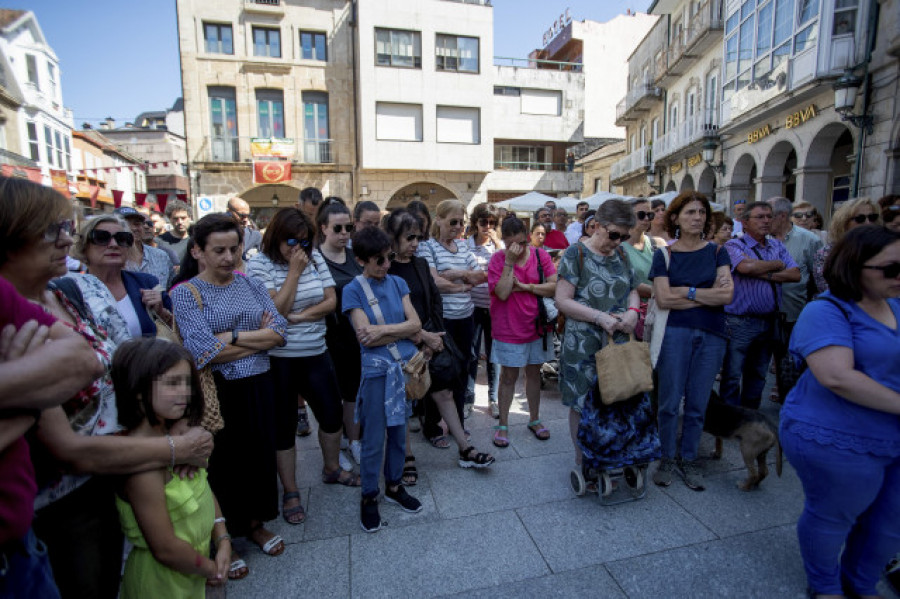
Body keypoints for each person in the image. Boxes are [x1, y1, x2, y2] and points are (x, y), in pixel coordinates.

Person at [0, 176, 213, 598]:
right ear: (10, 237)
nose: (63, 241)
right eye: (51, 230)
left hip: (121, 457)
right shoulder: (14, 311)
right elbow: (68, 448)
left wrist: (22, 398)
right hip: (58, 499)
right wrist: (176, 449)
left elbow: (103, 364)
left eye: (66, 229)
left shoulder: (77, 289)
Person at [779, 225, 900, 598]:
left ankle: (862, 583)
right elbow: (837, 376)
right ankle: (825, 587)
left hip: (891, 432)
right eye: (891, 269)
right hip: (836, 436)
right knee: (833, 516)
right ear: (854, 267)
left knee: (889, 524)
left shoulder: (895, 303)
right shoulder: (825, 310)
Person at [172, 212, 288, 579]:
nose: (227, 257)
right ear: (198, 251)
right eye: (218, 250)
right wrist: (257, 340)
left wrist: (232, 338)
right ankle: (226, 537)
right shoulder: (185, 293)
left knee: (258, 455)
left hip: (260, 383)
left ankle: (254, 524)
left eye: (234, 248)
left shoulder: (251, 284)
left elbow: (280, 330)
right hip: (218, 391)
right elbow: (203, 351)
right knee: (224, 462)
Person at [247, 207, 359, 528]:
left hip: (316, 351)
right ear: (276, 238)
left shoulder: (314, 257)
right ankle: (291, 490)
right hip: (279, 360)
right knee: (283, 428)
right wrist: (294, 274)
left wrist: (297, 316)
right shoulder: (259, 264)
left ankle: (331, 467)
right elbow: (272, 309)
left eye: (305, 242)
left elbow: (329, 302)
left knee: (331, 415)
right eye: (291, 241)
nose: (299, 249)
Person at [0, 277, 102, 599]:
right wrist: (26, 394)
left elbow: (84, 360)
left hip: (21, 551)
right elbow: (68, 449)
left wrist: (17, 406)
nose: (62, 239)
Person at [111, 339, 231, 597]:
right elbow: (165, 548)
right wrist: (212, 569)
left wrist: (222, 538)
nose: (185, 392)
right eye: (172, 383)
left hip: (194, 573)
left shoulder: (180, 439)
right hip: (163, 584)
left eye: (187, 382)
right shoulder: (143, 467)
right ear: (139, 388)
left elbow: (203, 489)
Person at [386, 209, 494, 477]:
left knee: (444, 392)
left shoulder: (420, 263)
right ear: (394, 237)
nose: (415, 243)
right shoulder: (384, 267)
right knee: (402, 402)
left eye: (418, 237)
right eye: (409, 237)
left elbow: (434, 301)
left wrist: (433, 339)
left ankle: (465, 448)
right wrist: (419, 336)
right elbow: (388, 312)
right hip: (399, 342)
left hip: (430, 340)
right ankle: (406, 456)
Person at [649, 192, 734, 490]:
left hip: (712, 334)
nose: (697, 217)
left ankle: (689, 459)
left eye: (701, 212)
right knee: (669, 402)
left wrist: (687, 292)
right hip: (675, 333)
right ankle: (667, 457)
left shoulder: (717, 252)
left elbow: (727, 295)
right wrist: (706, 296)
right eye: (689, 212)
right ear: (675, 218)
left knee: (698, 402)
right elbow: (662, 298)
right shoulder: (664, 255)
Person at [343, 226, 425, 533]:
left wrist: (383, 331)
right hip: (377, 372)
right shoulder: (353, 289)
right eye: (378, 260)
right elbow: (365, 337)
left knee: (399, 432)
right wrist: (399, 330)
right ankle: (368, 495)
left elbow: (416, 323)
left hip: (402, 367)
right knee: (374, 437)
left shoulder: (399, 281)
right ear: (361, 259)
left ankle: (393, 485)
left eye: (388, 257)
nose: (386, 265)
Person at [556, 199, 644, 468]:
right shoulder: (575, 253)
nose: (618, 241)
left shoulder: (623, 254)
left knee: (618, 399)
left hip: (616, 340)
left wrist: (632, 311)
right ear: (597, 226)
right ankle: (583, 458)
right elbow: (562, 300)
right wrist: (599, 316)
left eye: (625, 236)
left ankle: (612, 453)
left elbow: (632, 289)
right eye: (614, 234)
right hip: (583, 343)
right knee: (582, 402)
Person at [721, 201, 800, 409]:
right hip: (739, 322)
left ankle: (750, 419)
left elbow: (795, 274)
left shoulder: (777, 245)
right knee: (732, 375)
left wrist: (763, 272)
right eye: (760, 217)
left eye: (769, 216)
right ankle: (729, 420)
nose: (766, 221)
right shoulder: (734, 245)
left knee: (758, 375)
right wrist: (777, 265)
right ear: (745, 222)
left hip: (768, 320)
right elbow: (746, 267)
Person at [488, 216, 558, 447]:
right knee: (508, 376)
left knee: (533, 374)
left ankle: (534, 419)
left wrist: (527, 287)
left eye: (521, 244)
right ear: (504, 242)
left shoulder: (541, 256)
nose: (517, 249)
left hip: (536, 326)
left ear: (527, 238)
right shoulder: (498, 260)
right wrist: (508, 262)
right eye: (511, 245)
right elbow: (503, 293)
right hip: (508, 327)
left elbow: (554, 286)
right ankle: (503, 425)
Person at [419, 199, 485, 427]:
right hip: (442, 319)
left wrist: (453, 273)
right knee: (438, 372)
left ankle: (457, 423)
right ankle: (433, 425)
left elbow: (479, 276)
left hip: (465, 317)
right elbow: (435, 282)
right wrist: (464, 282)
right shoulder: (427, 246)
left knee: (462, 371)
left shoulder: (464, 246)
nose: (458, 227)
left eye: (461, 222)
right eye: (453, 221)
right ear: (439, 220)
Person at [70, 216, 173, 340]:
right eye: (102, 238)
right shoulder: (72, 291)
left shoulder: (147, 283)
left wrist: (160, 312)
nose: (114, 244)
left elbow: (180, 330)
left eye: (122, 239)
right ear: (84, 246)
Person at [316, 199, 363, 460]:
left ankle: (354, 440)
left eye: (348, 228)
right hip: (325, 336)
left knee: (353, 392)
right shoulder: (313, 258)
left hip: (354, 335)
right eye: (338, 228)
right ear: (323, 228)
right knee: (330, 397)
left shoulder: (354, 255)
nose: (344, 233)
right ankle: (334, 449)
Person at [766, 196, 824, 403]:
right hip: (762, 313)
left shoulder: (809, 240)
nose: (764, 220)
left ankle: (796, 403)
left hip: (795, 313)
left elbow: (819, 280)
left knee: (793, 361)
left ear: (782, 216)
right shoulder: (761, 239)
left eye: (768, 215)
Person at [466, 202, 503, 417]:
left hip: (494, 308)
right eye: (483, 221)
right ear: (475, 222)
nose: (487, 226)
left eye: (492, 222)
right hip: (472, 306)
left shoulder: (498, 247)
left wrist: (498, 245)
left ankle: (493, 399)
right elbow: (467, 273)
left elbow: (506, 269)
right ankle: (468, 399)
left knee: (493, 355)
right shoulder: (465, 245)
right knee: (471, 354)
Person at [813, 197, 882, 293]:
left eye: (872, 217)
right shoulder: (827, 253)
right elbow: (828, 289)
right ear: (844, 223)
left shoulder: (883, 250)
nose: (868, 223)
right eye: (860, 219)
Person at [623, 198, 666, 338]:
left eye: (650, 215)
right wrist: (662, 292)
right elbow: (626, 282)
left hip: (659, 310)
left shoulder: (658, 244)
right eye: (641, 215)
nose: (647, 218)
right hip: (633, 313)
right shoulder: (617, 248)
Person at [116, 207, 175, 288]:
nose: (133, 228)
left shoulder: (161, 256)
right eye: (125, 224)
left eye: (137, 224)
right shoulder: (111, 259)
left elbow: (171, 287)